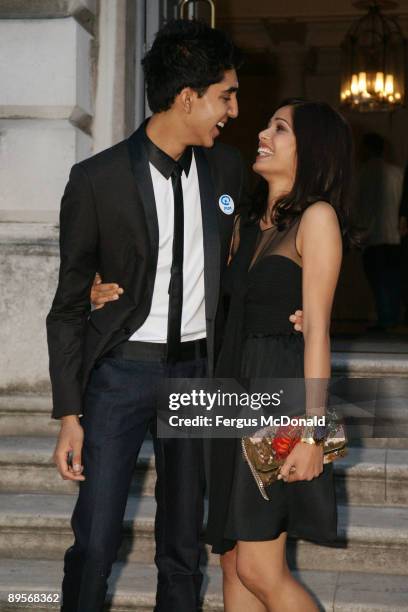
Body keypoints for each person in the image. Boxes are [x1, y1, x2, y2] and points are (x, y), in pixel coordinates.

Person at [47, 18, 303, 612]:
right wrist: (68, 412)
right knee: (97, 538)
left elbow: (259, 249)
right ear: (187, 97)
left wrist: (297, 305)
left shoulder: (228, 171)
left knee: (184, 545)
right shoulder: (96, 180)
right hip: (120, 374)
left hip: (196, 376)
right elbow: (65, 308)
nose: (234, 111)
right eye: (226, 96)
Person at [204, 99, 355, 612]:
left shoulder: (317, 218)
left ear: (310, 150)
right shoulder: (248, 223)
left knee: (258, 566)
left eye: (280, 128)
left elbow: (317, 334)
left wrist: (314, 433)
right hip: (233, 395)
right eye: (269, 125)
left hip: (283, 403)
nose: (263, 133)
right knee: (230, 558)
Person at [357, 133, 403, 330]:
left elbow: (359, 207)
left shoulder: (362, 174)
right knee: (392, 280)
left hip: (373, 236)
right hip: (396, 236)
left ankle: (386, 319)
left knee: (379, 281)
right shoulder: (397, 173)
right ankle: (392, 317)